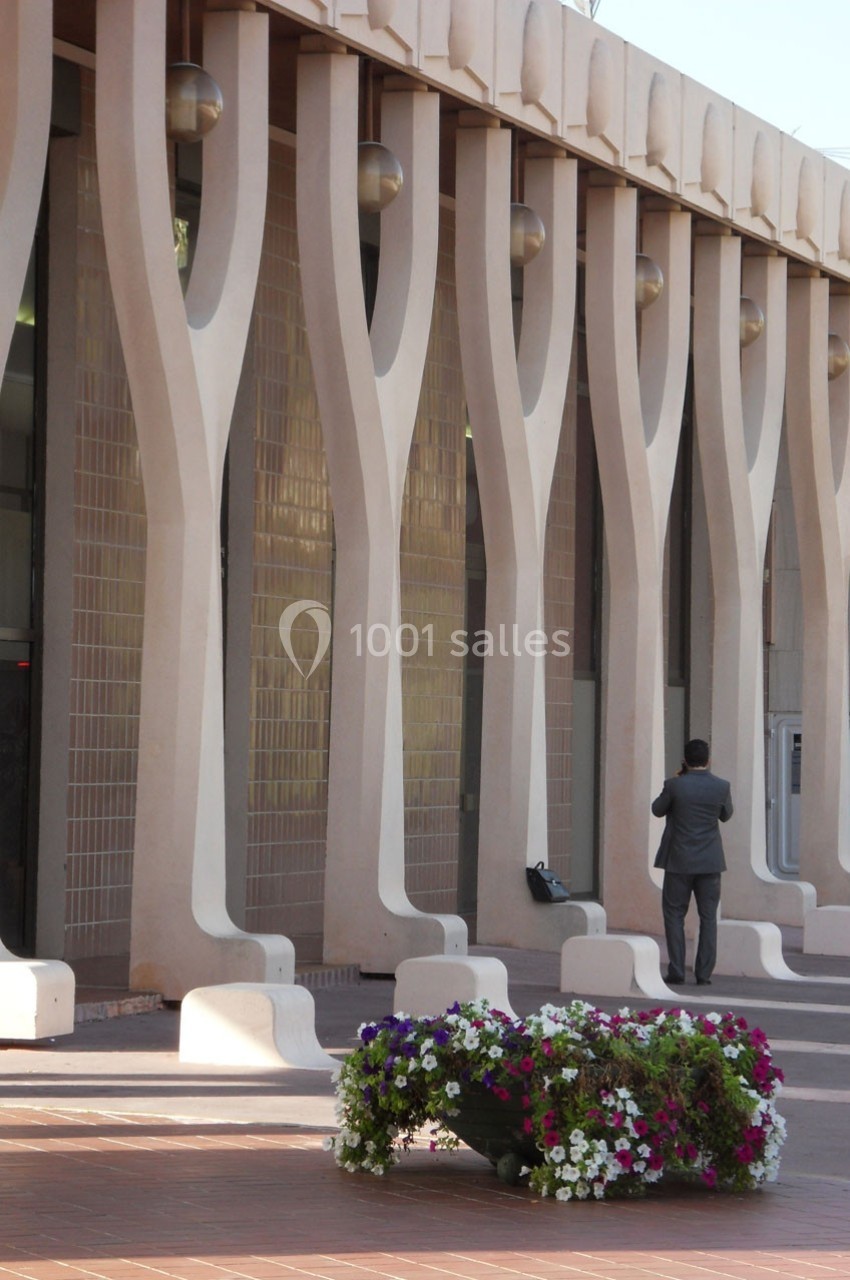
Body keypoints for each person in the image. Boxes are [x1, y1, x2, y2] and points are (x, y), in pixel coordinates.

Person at [651, 739, 733, 986]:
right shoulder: (721, 786)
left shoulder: (675, 785)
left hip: (679, 860)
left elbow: (657, 809)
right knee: (708, 917)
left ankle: (676, 970)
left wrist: (678, 779)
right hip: (710, 861)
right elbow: (726, 815)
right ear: (708, 760)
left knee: (675, 914)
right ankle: (704, 973)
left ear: (685, 760)